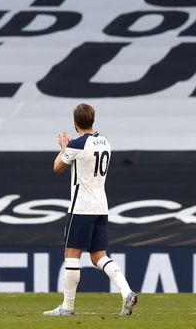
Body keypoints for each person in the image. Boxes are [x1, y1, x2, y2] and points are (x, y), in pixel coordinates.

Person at [44, 103, 138, 317]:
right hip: (101, 207)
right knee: (98, 256)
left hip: (81, 207)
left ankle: (67, 307)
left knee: (71, 255)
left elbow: (57, 168)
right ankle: (126, 292)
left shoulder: (77, 144)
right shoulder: (105, 142)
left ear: (75, 122)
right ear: (93, 119)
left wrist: (63, 147)